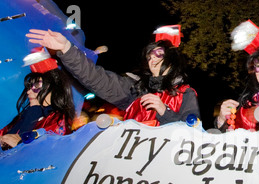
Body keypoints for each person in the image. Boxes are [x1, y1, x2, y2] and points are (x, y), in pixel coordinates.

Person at [26, 27, 200, 127]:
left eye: (158, 54)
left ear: (172, 59)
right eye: (149, 55)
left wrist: (164, 111)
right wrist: (66, 49)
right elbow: (95, 78)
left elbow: (191, 132)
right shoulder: (134, 88)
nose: (152, 58)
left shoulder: (185, 94)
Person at [0, 50, 75, 150]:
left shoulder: (58, 120)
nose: (28, 92)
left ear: (52, 88)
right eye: (29, 87)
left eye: (36, 86)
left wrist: (20, 144)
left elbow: (52, 150)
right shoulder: (24, 116)